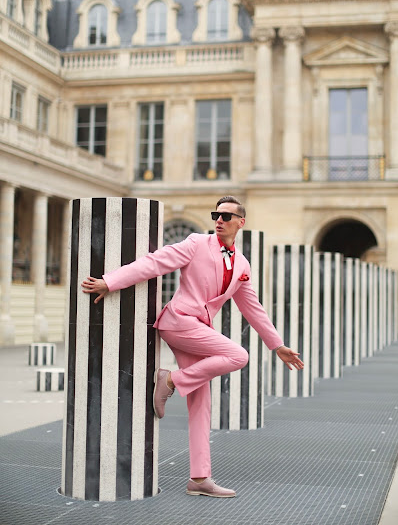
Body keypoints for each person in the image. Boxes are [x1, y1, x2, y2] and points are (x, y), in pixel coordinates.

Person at [81, 195, 303, 498]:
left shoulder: (241, 264)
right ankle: (169, 380)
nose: (219, 220)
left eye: (226, 216)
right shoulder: (196, 243)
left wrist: (277, 345)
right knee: (237, 354)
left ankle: (199, 479)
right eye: (216, 215)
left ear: (241, 222)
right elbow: (155, 262)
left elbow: (253, 307)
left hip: (199, 330)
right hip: (179, 321)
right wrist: (111, 281)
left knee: (201, 405)